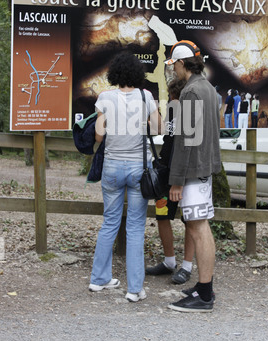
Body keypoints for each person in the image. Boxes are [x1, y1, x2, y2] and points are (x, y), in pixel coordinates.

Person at [89, 52, 162, 302]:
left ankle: (99, 279)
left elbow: (99, 137)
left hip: (111, 167)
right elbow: (158, 128)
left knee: (109, 222)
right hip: (138, 170)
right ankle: (134, 289)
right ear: (137, 74)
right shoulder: (146, 96)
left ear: (114, 74)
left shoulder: (105, 98)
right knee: (134, 228)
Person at [164, 40, 222, 313]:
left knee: (198, 229)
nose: (173, 70)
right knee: (201, 227)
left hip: (192, 171)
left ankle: (205, 294)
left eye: (173, 64)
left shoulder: (190, 93)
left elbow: (186, 141)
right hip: (204, 168)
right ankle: (203, 287)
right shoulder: (208, 88)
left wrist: (176, 180)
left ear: (181, 63)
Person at [145, 78, 195, 284]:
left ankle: (187, 266)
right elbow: (167, 135)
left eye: (172, 97)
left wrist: (179, 179)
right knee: (162, 215)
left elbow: (187, 147)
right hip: (166, 170)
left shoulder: (191, 113)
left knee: (191, 220)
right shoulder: (173, 110)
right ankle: (169, 262)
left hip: (186, 173)